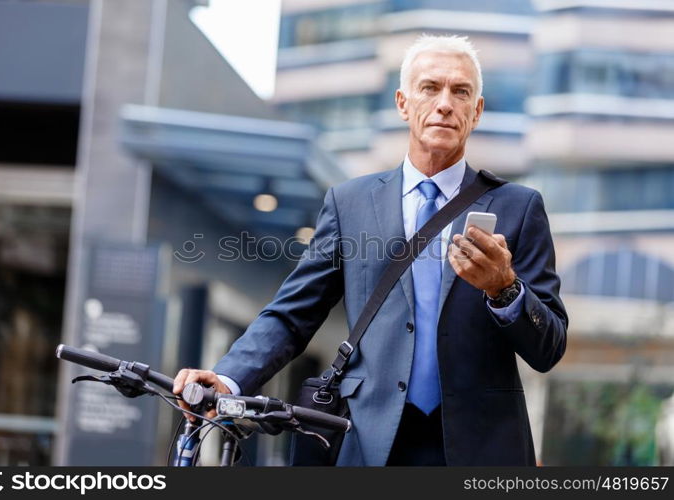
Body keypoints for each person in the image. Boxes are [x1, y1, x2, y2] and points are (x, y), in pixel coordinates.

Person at [173, 34, 568, 466]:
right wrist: (229, 379)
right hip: (367, 438)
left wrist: (505, 290)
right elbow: (292, 314)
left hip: (481, 445)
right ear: (402, 103)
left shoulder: (519, 208)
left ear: (477, 111)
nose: (444, 104)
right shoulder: (350, 203)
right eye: (430, 88)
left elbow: (548, 347)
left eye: (461, 92)